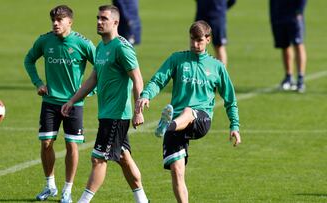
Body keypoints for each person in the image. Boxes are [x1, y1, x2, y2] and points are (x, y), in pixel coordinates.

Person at [136, 20, 241, 203]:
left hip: (201, 119)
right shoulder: (177, 59)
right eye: (192, 39)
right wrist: (146, 95)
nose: (195, 44)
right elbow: (158, 80)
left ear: (208, 39)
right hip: (176, 123)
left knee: (188, 110)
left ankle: (167, 125)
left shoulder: (217, 67)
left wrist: (235, 125)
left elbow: (230, 99)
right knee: (177, 172)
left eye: (199, 40)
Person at [61, 5, 149, 203]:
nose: (99, 22)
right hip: (107, 113)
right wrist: (73, 100)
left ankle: (83, 201)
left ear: (115, 22)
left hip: (117, 114)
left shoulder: (121, 48)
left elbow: (137, 79)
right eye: (98, 18)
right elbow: (93, 78)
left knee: (98, 159)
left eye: (104, 19)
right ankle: (142, 200)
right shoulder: (101, 47)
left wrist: (138, 111)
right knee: (123, 157)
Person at [24, 5, 95, 203]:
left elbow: (102, 67)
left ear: (69, 22)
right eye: (53, 20)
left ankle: (67, 190)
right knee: (46, 143)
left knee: (72, 146)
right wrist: (38, 83)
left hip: (74, 104)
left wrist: (91, 90)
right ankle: (50, 185)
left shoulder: (83, 43)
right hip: (50, 102)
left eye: (60, 20)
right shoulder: (45, 40)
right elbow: (29, 60)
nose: (55, 24)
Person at [269, 0, 307, 93]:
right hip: (278, 16)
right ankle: (289, 77)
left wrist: (299, 10)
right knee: (284, 45)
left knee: (298, 44)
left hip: (293, 15)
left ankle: (300, 79)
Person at [195, 0, 236, 66]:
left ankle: (220, 75)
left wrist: (223, 7)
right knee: (196, 45)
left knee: (219, 46)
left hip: (217, 15)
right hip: (202, 13)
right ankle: (197, 74)